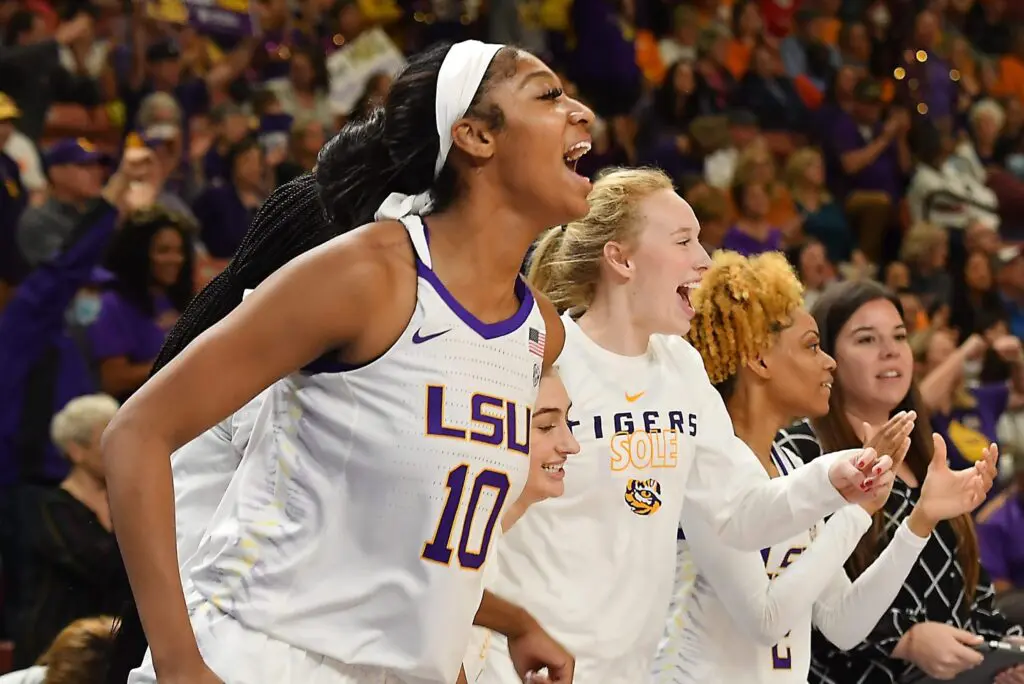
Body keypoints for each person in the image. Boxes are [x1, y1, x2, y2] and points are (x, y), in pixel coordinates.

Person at [102, 40, 596, 684]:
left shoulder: (538, 331)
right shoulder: (369, 274)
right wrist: (179, 664)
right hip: (265, 657)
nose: (581, 112)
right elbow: (135, 433)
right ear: (475, 135)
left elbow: (405, 543)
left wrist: (499, 631)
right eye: (548, 95)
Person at [478, 167, 910, 684]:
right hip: (521, 667)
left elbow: (737, 515)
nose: (704, 260)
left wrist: (831, 479)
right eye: (683, 241)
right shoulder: (547, 360)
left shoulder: (681, 366)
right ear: (621, 259)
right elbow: (475, 524)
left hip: (627, 673)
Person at [657, 251, 993, 683]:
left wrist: (919, 522)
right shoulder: (708, 467)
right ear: (760, 359)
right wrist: (853, 510)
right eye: (812, 346)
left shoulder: (789, 463)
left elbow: (842, 625)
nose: (828, 361)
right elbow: (765, 620)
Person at [776, 280, 1023, 684]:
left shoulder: (927, 448)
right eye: (866, 339)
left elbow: (969, 590)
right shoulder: (799, 450)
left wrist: (1003, 650)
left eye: (900, 336)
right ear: (828, 357)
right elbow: (799, 600)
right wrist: (904, 640)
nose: (890, 350)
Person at [464, 367, 580, 682]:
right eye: (546, 426)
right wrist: (520, 625)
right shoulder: (454, 543)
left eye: (568, 422)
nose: (571, 445)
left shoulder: (481, 541)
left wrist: (519, 625)